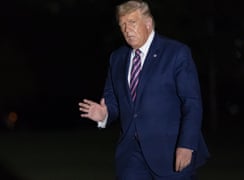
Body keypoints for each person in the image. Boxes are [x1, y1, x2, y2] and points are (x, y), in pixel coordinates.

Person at [78, 0, 209, 179]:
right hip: (131, 156)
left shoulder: (176, 53)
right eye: (122, 24)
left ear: (148, 23)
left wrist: (187, 145)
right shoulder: (117, 58)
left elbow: (192, 103)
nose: (126, 29)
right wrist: (104, 115)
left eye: (132, 23)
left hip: (171, 152)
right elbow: (113, 101)